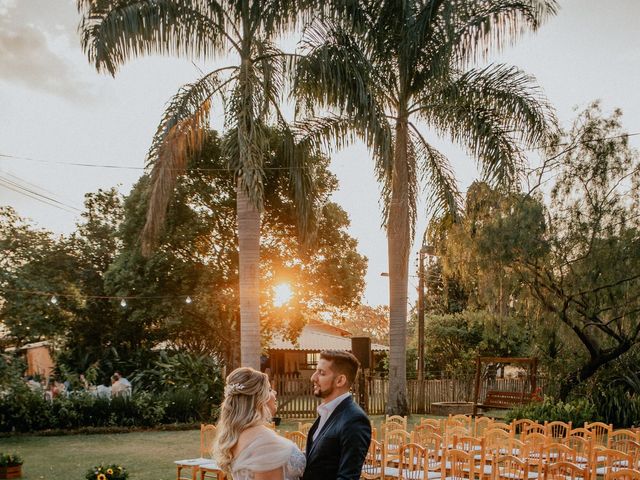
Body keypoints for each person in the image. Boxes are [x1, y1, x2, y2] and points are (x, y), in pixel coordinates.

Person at [213, 367, 305, 480]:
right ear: (259, 398)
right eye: (270, 389)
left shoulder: (237, 434)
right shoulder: (265, 442)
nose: (275, 393)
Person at [302, 350, 371, 480]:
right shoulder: (326, 412)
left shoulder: (355, 420)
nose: (313, 378)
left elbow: (348, 477)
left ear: (340, 380)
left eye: (321, 373)